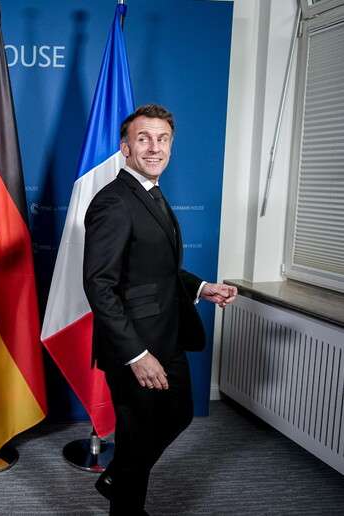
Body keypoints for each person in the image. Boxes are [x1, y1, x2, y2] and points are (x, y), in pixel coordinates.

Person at [83, 104, 237, 515]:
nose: (154, 147)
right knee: (137, 435)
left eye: (162, 139)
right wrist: (136, 355)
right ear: (125, 147)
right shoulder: (114, 202)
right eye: (144, 139)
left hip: (167, 334)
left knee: (178, 413)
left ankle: (117, 478)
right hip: (135, 345)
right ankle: (125, 502)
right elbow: (99, 284)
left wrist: (201, 288)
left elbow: (155, 269)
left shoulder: (151, 191)